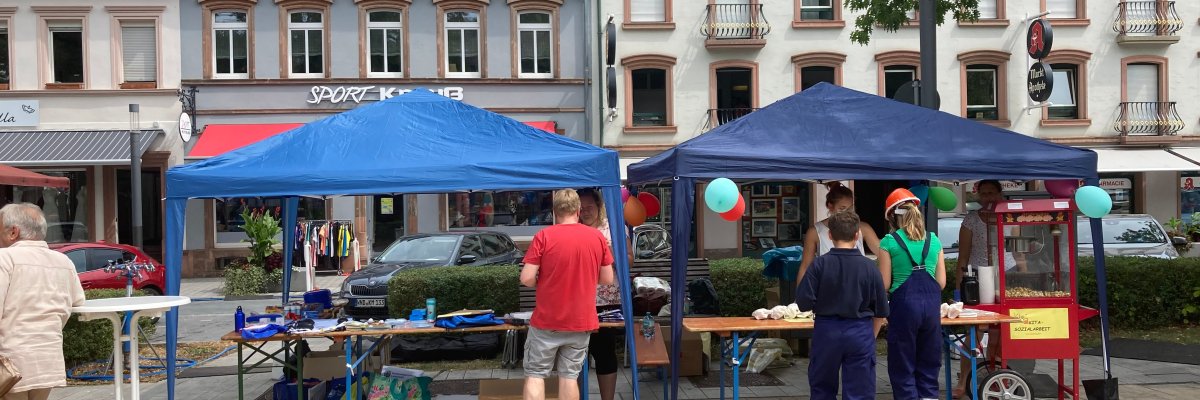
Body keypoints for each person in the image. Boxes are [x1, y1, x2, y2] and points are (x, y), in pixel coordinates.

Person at [520, 190, 615, 400]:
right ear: (578, 210)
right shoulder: (597, 237)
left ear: (555, 211)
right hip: (581, 321)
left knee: (536, 374)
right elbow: (608, 278)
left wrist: (542, 281)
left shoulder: (544, 236)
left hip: (547, 321)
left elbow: (526, 278)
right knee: (569, 377)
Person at [794, 211, 890, 400]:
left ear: (830, 235)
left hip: (826, 331)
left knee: (822, 390)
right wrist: (870, 336)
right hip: (861, 332)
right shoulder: (870, 267)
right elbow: (881, 310)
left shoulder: (819, 265)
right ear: (857, 235)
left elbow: (803, 302)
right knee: (860, 392)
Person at [0, 203, 86, 400]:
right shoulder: (64, 261)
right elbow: (78, 300)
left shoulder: (4, 258)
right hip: (48, 359)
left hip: (9, 360)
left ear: (13, 232)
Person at [877, 189, 946, 400]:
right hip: (931, 308)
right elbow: (941, 282)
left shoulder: (888, 242)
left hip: (904, 309)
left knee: (902, 361)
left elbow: (884, 283)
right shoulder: (934, 240)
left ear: (892, 217)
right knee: (929, 359)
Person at [576, 189, 621, 400]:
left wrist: (607, 252)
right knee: (574, 355)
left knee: (604, 353)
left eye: (590, 207)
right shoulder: (571, 229)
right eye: (581, 208)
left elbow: (629, 259)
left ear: (599, 206)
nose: (585, 211)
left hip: (606, 302)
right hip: (577, 301)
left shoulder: (612, 229)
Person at [798, 182, 882, 283]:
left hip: (857, 285)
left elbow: (883, 253)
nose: (847, 213)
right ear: (830, 206)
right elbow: (805, 267)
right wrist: (800, 292)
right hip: (829, 285)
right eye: (842, 208)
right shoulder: (814, 232)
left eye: (850, 209)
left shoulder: (863, 228)